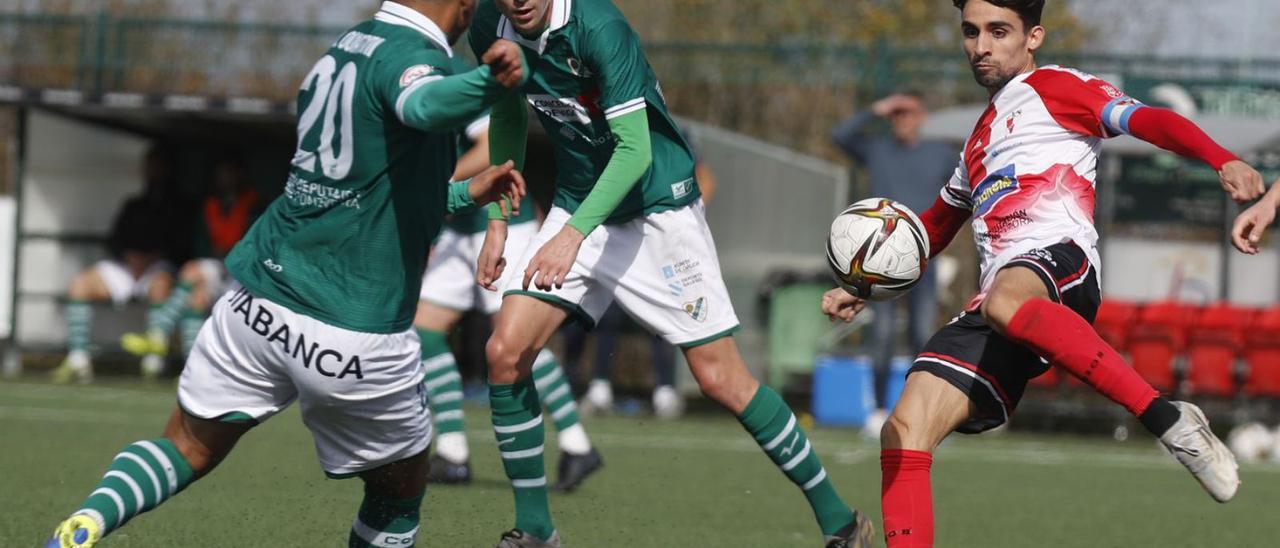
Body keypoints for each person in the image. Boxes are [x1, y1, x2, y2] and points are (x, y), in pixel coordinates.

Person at [44, 1, 528, 547]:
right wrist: (487, 83)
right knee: (398, 492)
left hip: (255, 305)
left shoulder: (348, 44)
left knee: (185, 446)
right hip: (351, 330)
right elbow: (424, 104)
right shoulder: (415, 59)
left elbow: (363, 191)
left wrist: (466, 191)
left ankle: (85, 525)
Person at [821, 1, 1263, 546]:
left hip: (1060, 264)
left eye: (998, 31)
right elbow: (935, 224)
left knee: (1006, 300)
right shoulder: (977, 141)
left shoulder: (1059, 87)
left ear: (1033, 37)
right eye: (971, 32)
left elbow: (1151, 119)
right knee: (904, 429)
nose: (981, 46)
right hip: (999, 304)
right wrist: (862, 282)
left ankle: (1170, 422)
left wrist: (1221, 158)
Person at [470, 1, 873, 547]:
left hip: (658, 208)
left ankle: (840, 523)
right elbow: (508, 111)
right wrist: (499, 218)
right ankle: (537, 532)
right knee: (505, 353)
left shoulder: (599, 29)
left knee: (720, 380)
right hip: (580, 203)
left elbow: (634, 150)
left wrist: (571, 236)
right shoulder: (487, 25)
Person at [415, 55, 601, 488]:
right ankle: (453, 451)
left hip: (501, 225)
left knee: (513, 345)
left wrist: (431, 189)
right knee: (423, 329)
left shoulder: (454, 72)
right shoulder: (404, 73)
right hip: (461, 229)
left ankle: (576, 442)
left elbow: (486, 151)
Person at [831, 92, 957, 432]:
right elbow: (840, 136)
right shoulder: (878, 149)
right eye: (896, 114)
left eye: (908, 113)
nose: (902, 119)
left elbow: (964, 189)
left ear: (922, 116)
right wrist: (877, 107)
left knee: (922, 337)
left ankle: (922, 414)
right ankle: (879, 410)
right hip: (877, 267)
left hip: (923, 262)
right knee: (883, 335)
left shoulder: (940, 154)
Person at [54, 145, 192, 383]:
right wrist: (130, 257)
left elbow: (182, 245)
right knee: (79, 285)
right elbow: (114, 240)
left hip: (157, 268)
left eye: (157, 165)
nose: (152, 171)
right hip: (126, 267)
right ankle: (78, 359)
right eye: (149, 165)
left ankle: (153, 359)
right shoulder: (133, 204)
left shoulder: (180, 204)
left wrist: (151, 258)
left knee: (161, 286)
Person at [119, 153, 262, 368]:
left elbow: (258, 244)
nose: (225, 179)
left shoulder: (256, 204)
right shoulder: (212, 204)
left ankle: (158, 333)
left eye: (230, 174)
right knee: (196, 295)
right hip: (217, 269)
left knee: (192, 271)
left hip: (244, 273)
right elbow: (200, 245)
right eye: (222, 174)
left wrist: (231, 252)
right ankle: (191, 366)